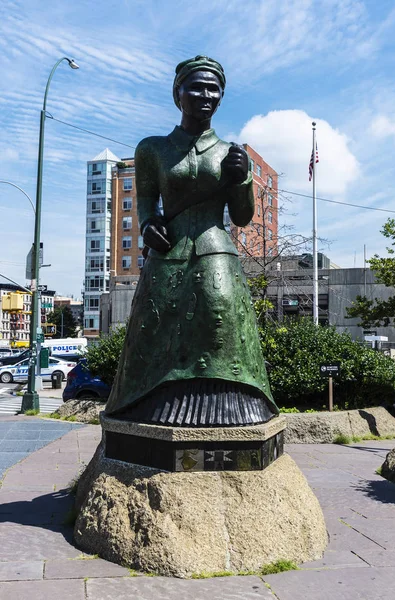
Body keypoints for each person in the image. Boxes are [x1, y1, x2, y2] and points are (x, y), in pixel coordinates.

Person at [105, 55, 279, 426]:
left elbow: (244, 217)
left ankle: (232, 411)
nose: (206, 95)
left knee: (221, 324)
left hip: (215, 248)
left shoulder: (231, 152)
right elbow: (147, 201)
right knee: (154, 334)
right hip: (168, 252)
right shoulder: (152, 149)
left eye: (213, 88)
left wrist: (243, 180)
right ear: (177, 92)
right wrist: (148, 225)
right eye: (197, 86)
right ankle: (148, 410)